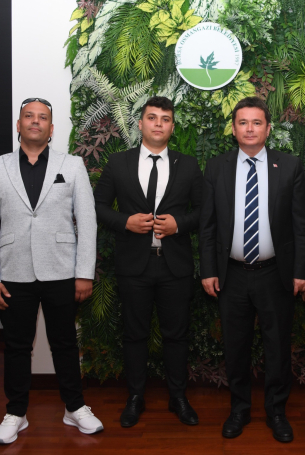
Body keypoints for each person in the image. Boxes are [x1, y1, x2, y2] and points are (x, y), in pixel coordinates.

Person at [0, 97, 103, 444]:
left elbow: (87, 223)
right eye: (29, 116)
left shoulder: (72, 166)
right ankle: (16, 412)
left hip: (62, 271)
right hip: (12, 273)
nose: (35, 121)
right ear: (18, 125)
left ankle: (74, 407)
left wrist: (84, 273)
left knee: (65, 343)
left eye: (42, 117)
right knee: (16, 346)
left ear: (51, 128)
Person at [199, 97, 305, 443]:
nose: (249, 129)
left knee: (277, 346)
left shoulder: (289, 166)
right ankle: (239, 410)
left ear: (268, 128)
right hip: (231, 274)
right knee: (236, 346)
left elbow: (302, 225)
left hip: (275, 273)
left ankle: (276, 412)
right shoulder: (216, 167)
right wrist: (208, 270)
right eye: (243, 122)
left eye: (257, 122)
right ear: (233, 129)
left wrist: (302, 271)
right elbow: (207, 225)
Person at [93, 96, 203, 428]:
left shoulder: (188, 165)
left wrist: (179, 224)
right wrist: (124, 221)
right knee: (134, 335)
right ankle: (135, 397)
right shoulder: (118, 163)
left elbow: (204, 211)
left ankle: (178, 397)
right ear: (140, 124)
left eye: (165, 119)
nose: (158, 124)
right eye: (152, 117)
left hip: (174, 266)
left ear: (172, 126)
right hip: (133, 265)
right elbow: (98, 206)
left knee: (176, 336)